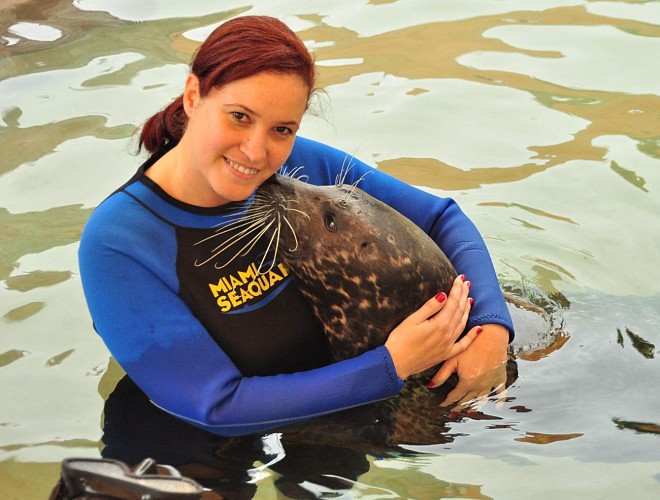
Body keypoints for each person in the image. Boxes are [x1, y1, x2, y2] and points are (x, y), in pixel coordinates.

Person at [78, 15, 514, 437]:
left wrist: (491, 327)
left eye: (282, 128)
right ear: (193, 96)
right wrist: (391, 366)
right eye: (239, 116)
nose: (255, 152)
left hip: (350, 417)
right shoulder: (120, 243)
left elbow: (440, 218)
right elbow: (214, 406)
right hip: (204, 441)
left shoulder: (299, 167)